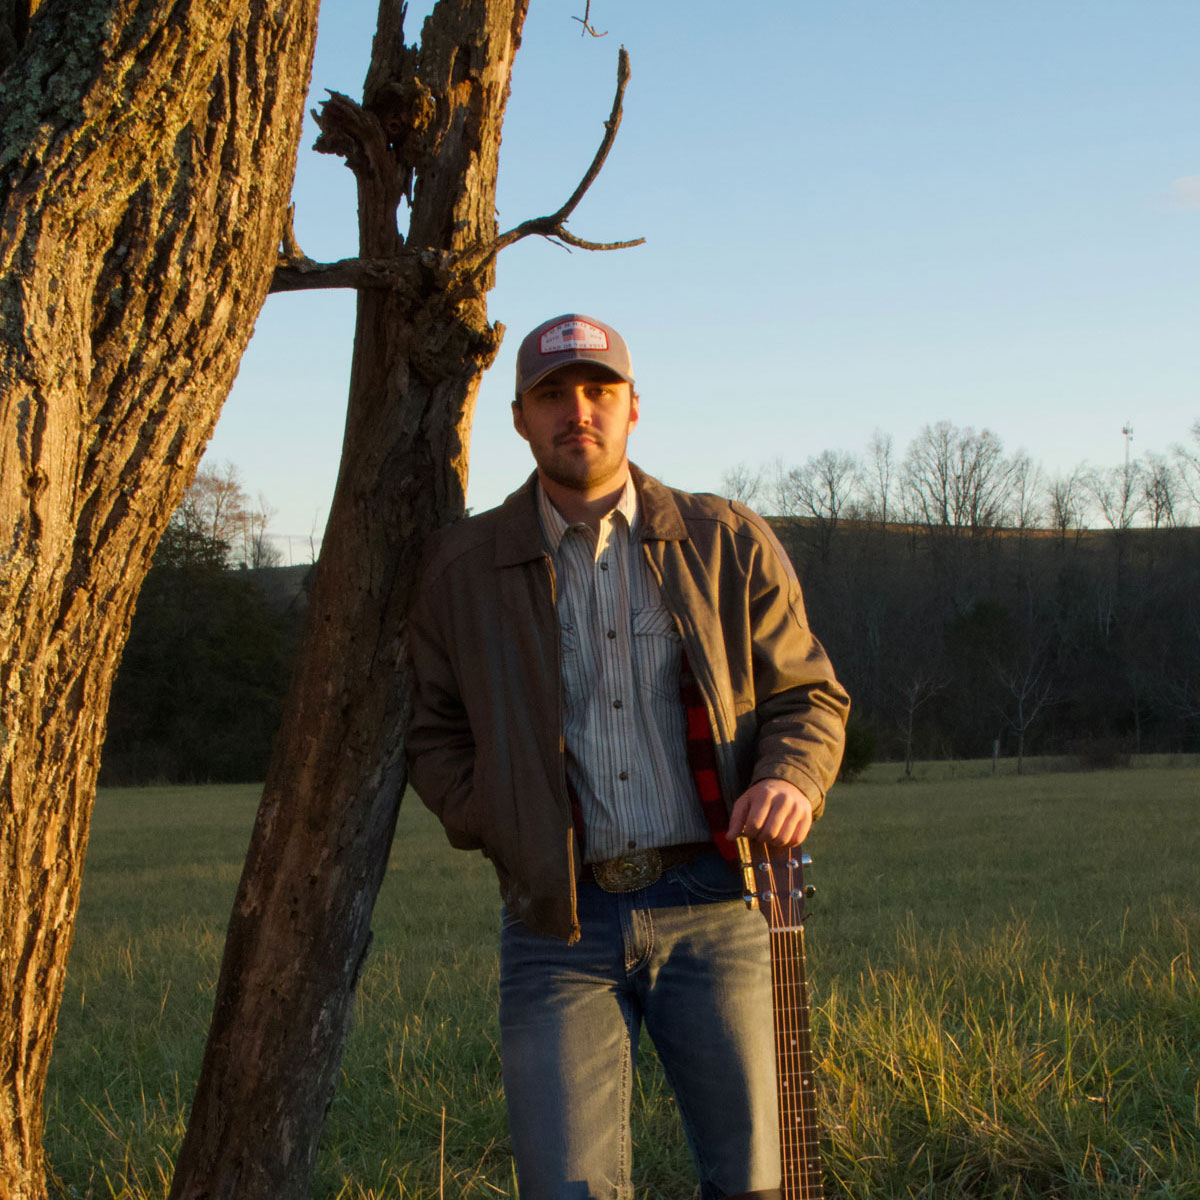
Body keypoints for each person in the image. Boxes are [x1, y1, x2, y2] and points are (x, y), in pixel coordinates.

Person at [406, 313, 849, 1200]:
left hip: (717, 907)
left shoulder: (725, 541)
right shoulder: (462, 569)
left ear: (634, 408)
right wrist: (498, 818)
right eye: (553, 394)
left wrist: (786, 777)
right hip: (556, 926)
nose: (580, 410)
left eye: (600, 390)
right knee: (566, 1188)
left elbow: (809, 696)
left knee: (755, 1181)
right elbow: (432, 731)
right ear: (521, 418)